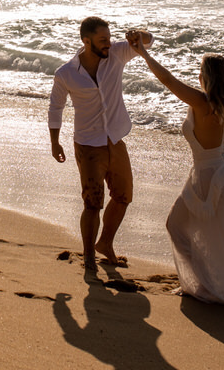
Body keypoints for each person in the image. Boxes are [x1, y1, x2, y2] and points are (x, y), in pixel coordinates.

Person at [129, 39, 224, 314]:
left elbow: (167, 79)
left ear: (205, 76)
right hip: (218, 173)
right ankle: (206, 282)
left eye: (200, 71)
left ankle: (206, 284)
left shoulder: (201, 101)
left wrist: (143, 53)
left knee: (177, 225)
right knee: (213, 236)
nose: (197, 75)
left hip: (209, 175)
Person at [49, 16, 152, 272]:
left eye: (109, 38)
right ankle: (88, 257)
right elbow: (55, 108)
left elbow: (148, 42)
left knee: (123, 196)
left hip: (115, 139)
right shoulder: (66, 74)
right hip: (88, 145)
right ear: (86, 41)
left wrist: (137, 34)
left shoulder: (116, 54)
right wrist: (55, 142)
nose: (108, 43)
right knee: (92, 203)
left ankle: (105, 243)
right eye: (102, 40)